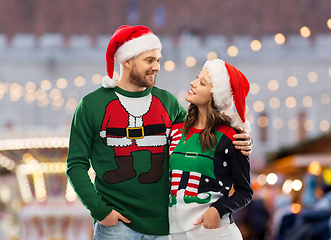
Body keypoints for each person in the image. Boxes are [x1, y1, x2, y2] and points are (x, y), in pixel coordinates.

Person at [66, 25, 252, 240]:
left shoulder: (168, 102)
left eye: (158, 60)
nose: (157, 67)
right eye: (149, 60)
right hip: (116, 227)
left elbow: (201, 133)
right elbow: (75, 165)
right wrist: (101, 211)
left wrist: (243, 139)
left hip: (165, 229)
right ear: (127, 61)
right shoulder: (92, 105)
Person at [168, 59, 253, 240]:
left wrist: (219, 209)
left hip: (215, 232)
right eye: (197, 78)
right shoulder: (175, 130)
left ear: (216, 95)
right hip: (174, 233)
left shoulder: (233, 137)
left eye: (202, 82)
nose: (192, 83)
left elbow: (245, 191)